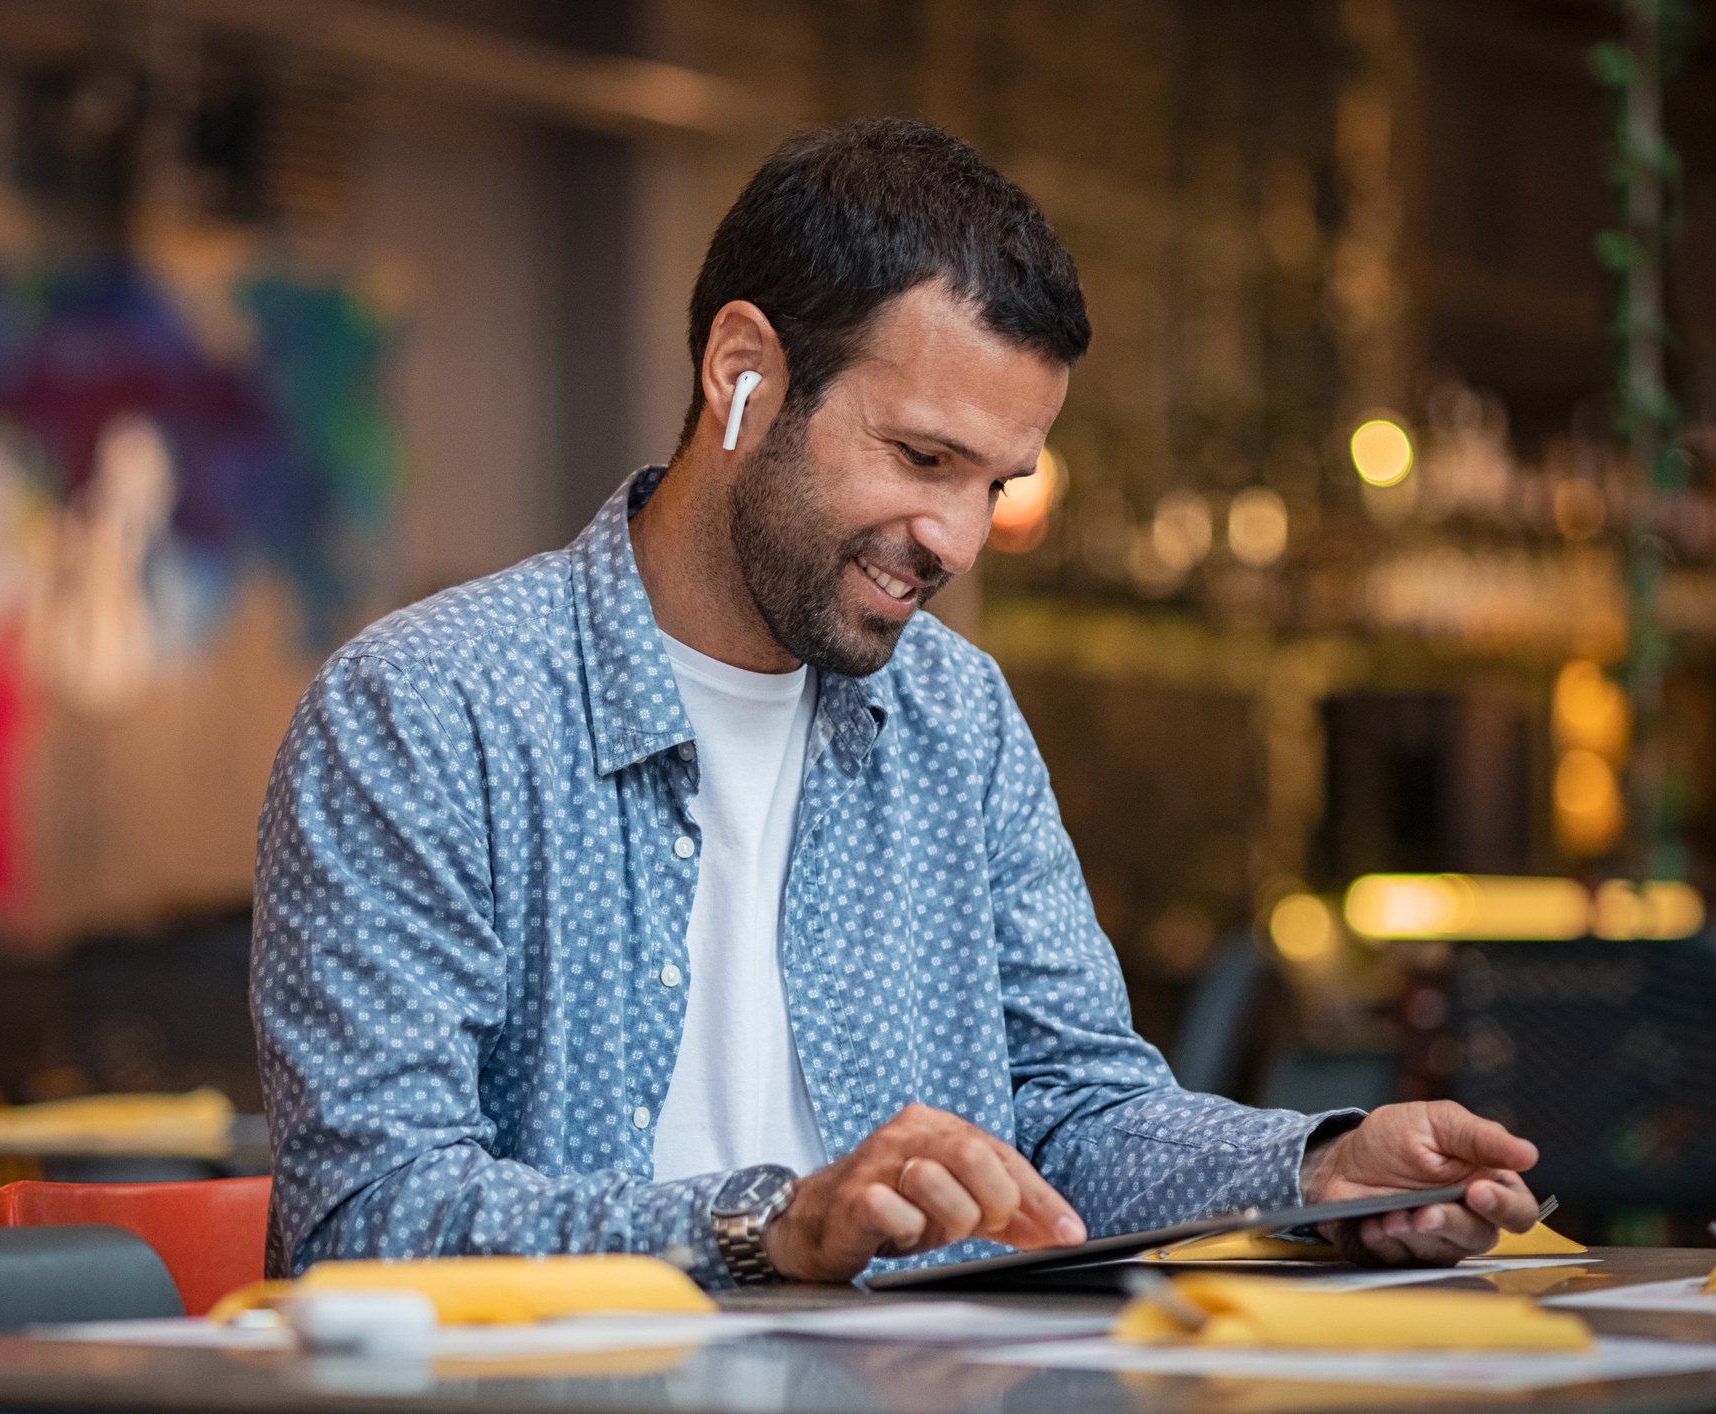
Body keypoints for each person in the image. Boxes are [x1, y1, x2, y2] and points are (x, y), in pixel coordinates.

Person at [250, 117, 1542, 1287]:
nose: (957, 538)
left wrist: (1311, 1173)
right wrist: (769, 1226)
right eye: (923, 458)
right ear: (741, 373)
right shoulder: (424, 713)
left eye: (996, 482)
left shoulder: (954, 715)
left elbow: (1073, 1109)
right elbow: (363, 1211)